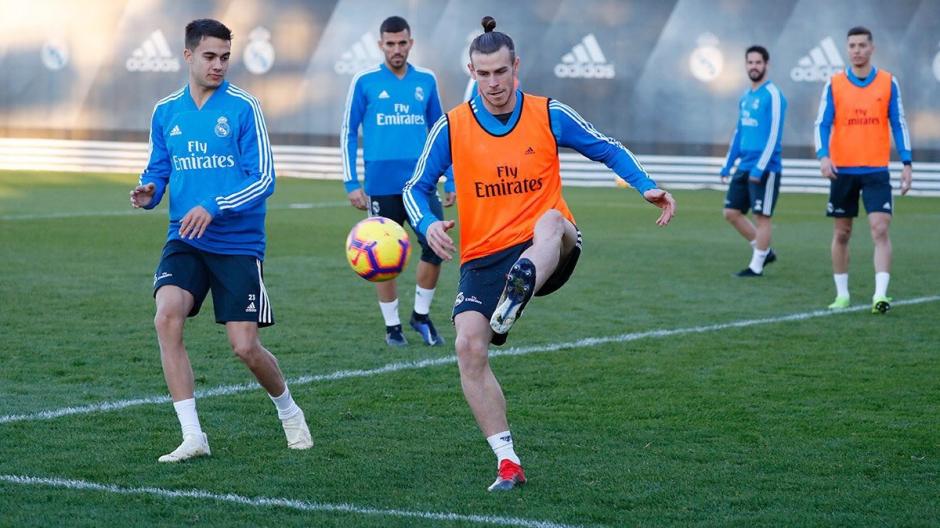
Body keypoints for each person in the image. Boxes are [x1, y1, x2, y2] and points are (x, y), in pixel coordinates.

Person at [403, 17, 675, 491]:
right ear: (472, 70)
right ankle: (507, 460)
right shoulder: (453, 126)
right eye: (483, 74)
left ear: (516, 67)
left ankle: (520, 285)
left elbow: (606, 148)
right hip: (485, 255)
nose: (493, 83)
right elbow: (416, 186)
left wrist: (647, 187)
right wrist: (427, 223)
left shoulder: (548, 113)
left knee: (552, 221)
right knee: (469, 348)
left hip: (549, 247)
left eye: (501, 72)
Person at [129, 19, 313, 462]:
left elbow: (265, 178)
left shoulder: (244, 107)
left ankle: (289, 411)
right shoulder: (166, 111)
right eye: (210, 56)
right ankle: (193, 436)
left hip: (237, 242)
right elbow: (158, 169)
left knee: (244, 347)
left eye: (225, 57)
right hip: (186, 238)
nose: (219, 65)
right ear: (188, 55)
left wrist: (215, 205)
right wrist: (149, 190)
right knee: (166, 317)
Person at [342, 16, 456, 347]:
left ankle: (420, 316)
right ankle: (392, 327)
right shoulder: (364, 81)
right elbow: (348, 131)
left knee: (436, 247)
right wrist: (351, 182)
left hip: (421, 185)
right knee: (383, 256)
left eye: (402, 43)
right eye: (390, 44)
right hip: (380, 185)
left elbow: (441, 133)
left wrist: (449, 178)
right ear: (381, 45)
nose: (396, 49)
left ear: (411, 43)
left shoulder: (426, 80)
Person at [814, 26, 913, 313]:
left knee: (879, 229)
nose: (857, 50)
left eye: (861, 45)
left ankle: (880, 295)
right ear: (848, 49)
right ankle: (842, 294)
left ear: (872, 48)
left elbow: (899, 123)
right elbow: (821, 124)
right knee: (842, 233)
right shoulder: (834, 84)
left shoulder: (888, 82)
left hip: (875, 170)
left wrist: (906, 163)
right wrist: (823, 156)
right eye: (852, 46)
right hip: (842, 170)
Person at [719, 45, 787, 277]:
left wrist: (761, 166)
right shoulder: (746, 97)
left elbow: (775, 134)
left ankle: (756, 267)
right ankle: (764, 251)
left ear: (766, 65)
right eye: (750, 62)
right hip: (744, 165)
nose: (754, 66)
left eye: (758, 62)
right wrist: (729, 163)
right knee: (731, 213)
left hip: (765, 168)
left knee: (762, 217)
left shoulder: (774, 95)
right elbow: (739, 132)